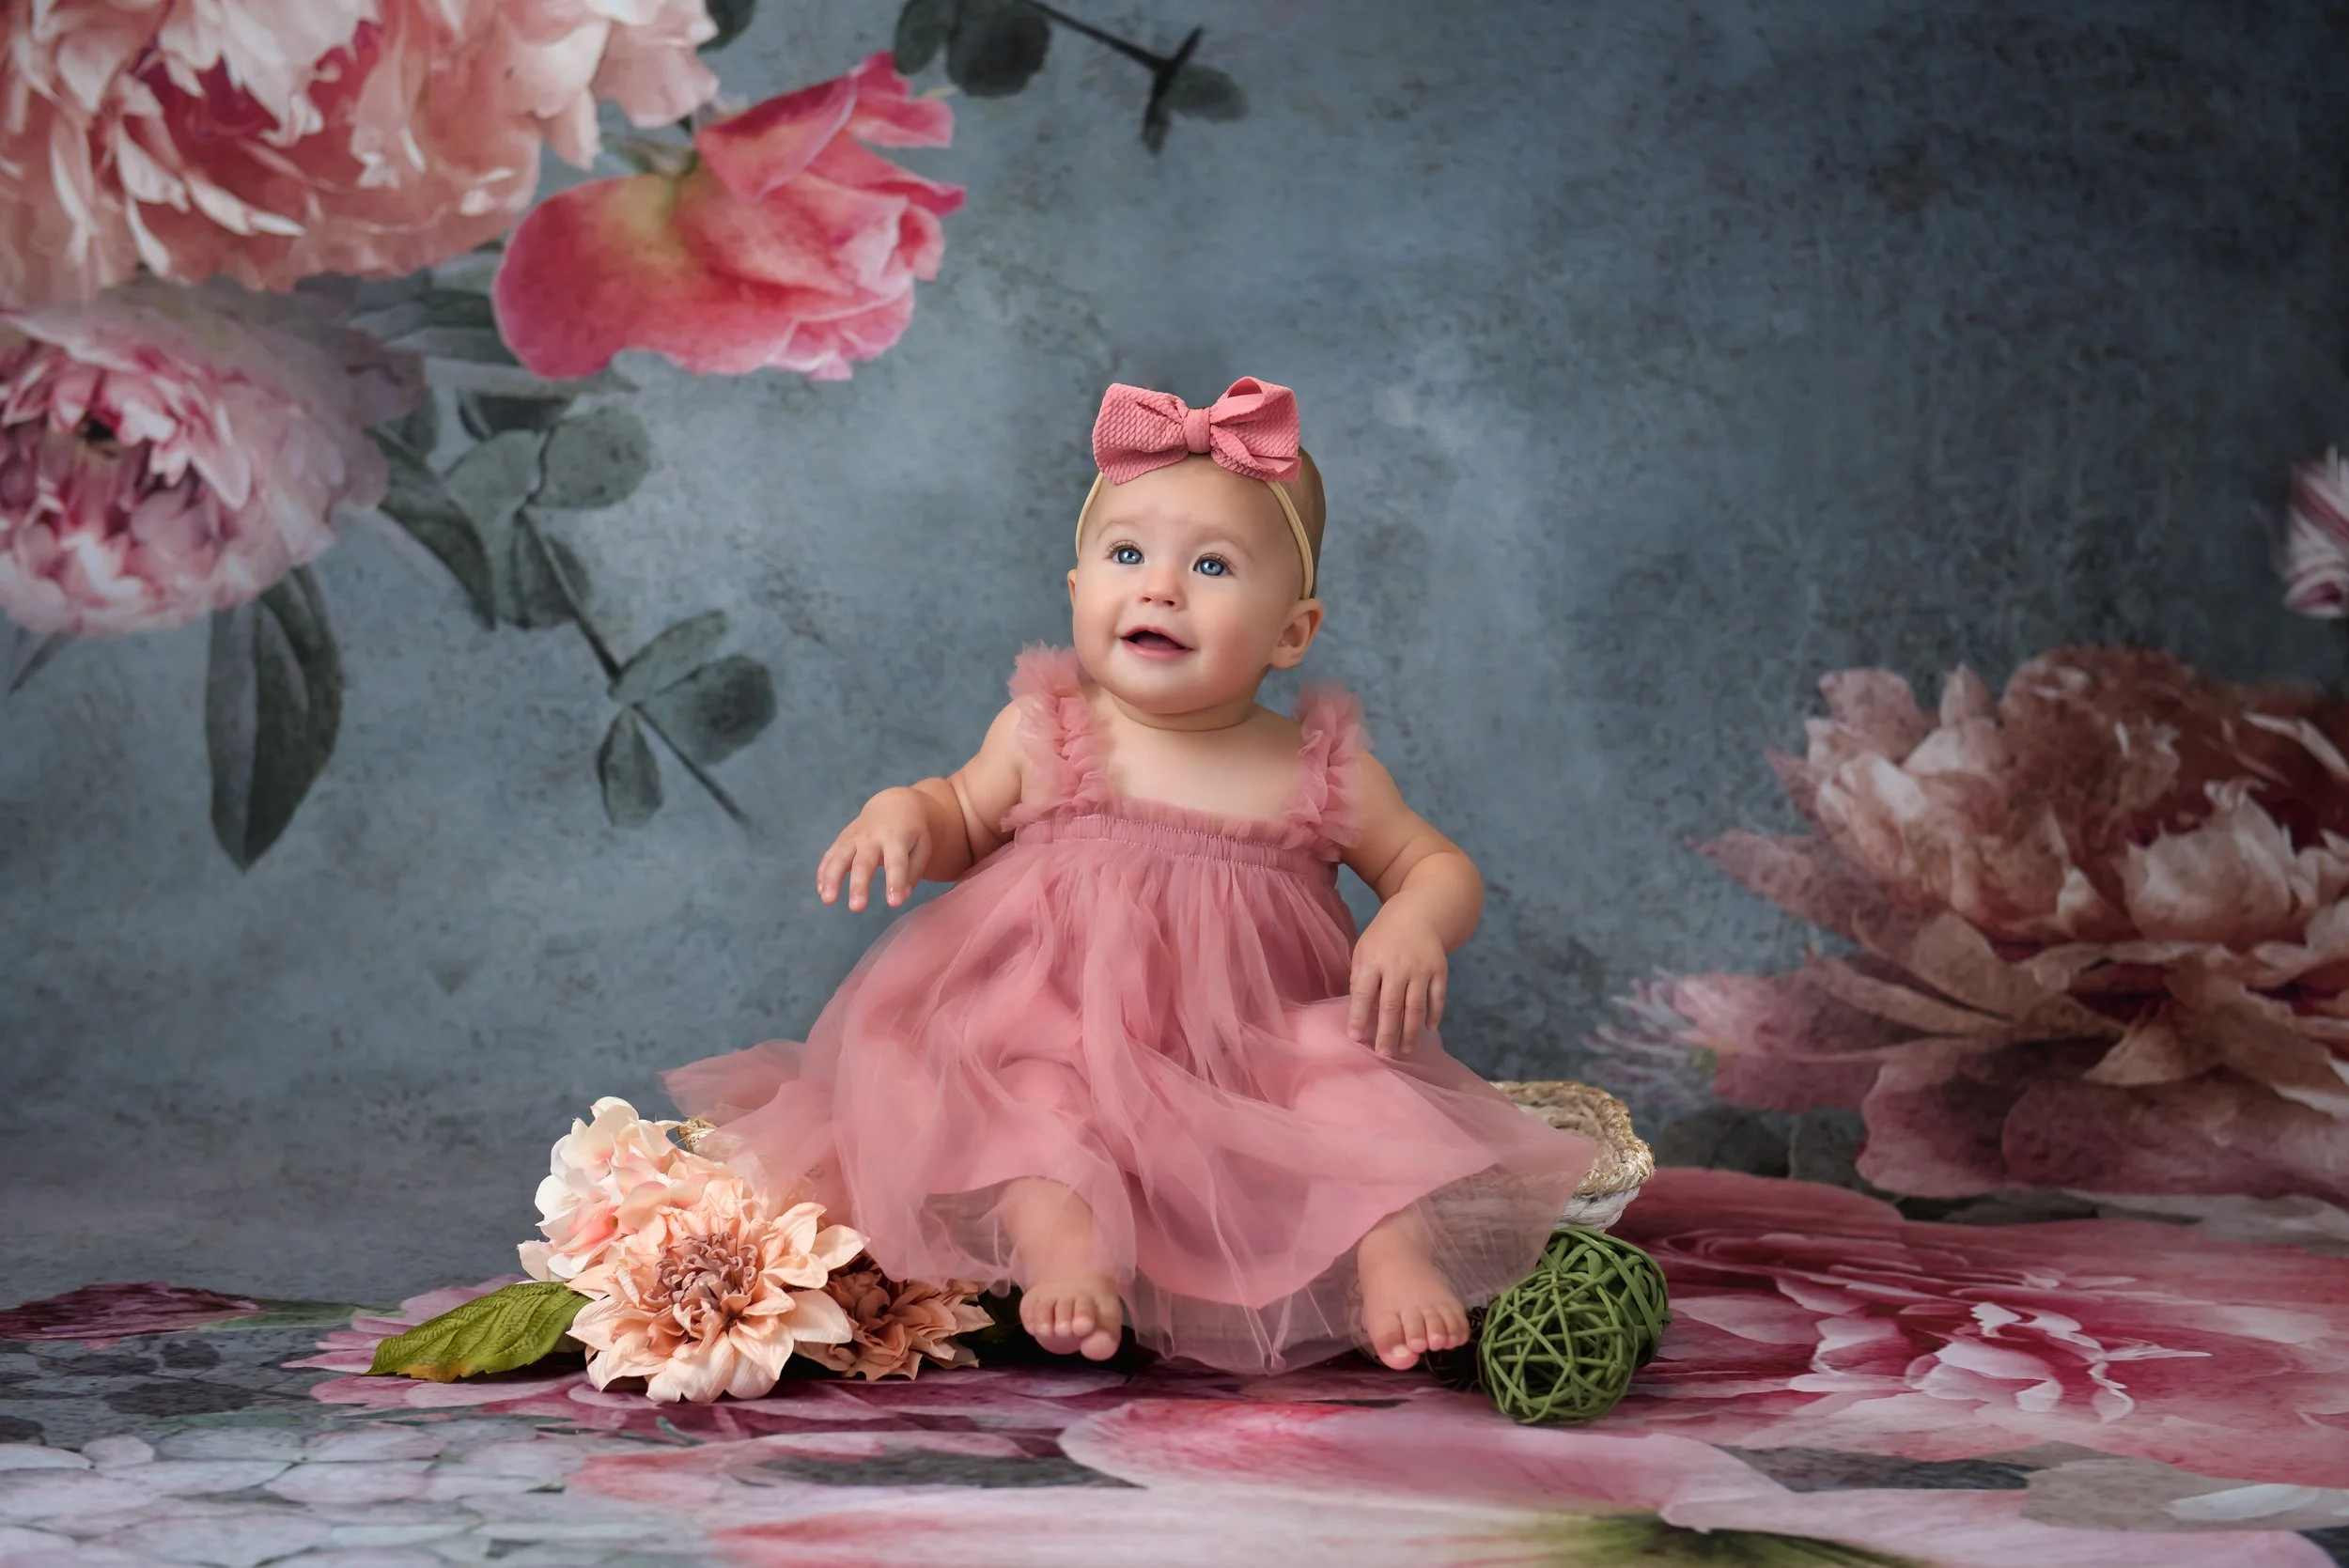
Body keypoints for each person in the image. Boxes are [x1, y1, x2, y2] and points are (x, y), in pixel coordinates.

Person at [665, 376, 1594, 1375]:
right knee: (1032, 1102)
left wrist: (1414, 919)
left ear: (1292, 631)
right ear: (1077, 596)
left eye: (1210, 564)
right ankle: (1071, 1248)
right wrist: (906, 814)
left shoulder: (1316, 769)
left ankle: (1393, 1253)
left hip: (1253, 1057)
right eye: (1126, 554)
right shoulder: (1049, 730)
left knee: (1354, 1082)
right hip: (1058, 1027)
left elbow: (1434, 863)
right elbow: (961, 817)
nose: (1159, 587)